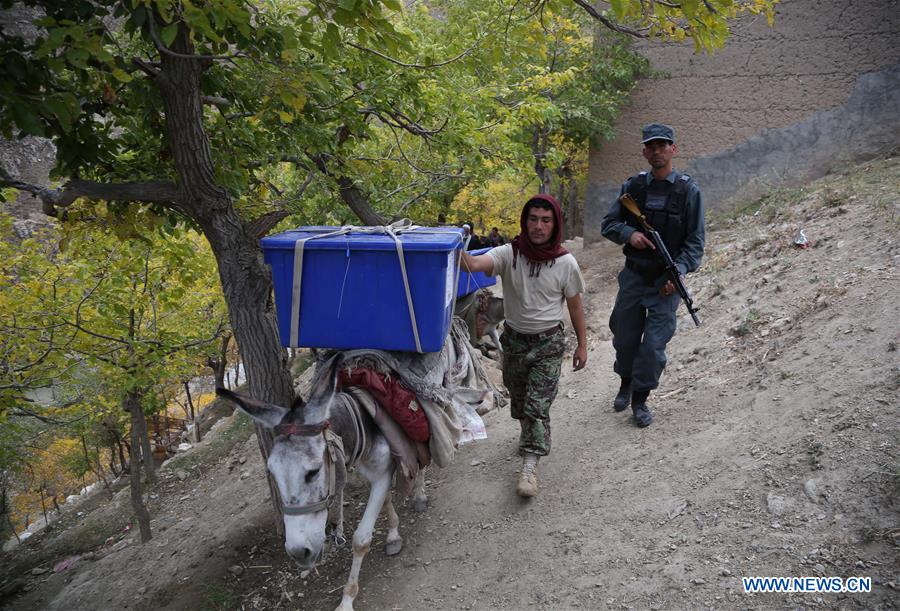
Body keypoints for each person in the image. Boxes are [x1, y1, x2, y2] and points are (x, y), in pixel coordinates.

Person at [460, 194, 587, 498]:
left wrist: (582, 345)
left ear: (555, 223)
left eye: (545, 220)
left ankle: (530, 465)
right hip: (514, 342)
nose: (538, 226)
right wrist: (454, 248)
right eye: (533, 219)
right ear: (524, 221)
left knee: (537, 405)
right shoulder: (509, 254)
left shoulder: (565, 263)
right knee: (519, 402)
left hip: (549, 343)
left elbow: (575, 306)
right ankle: (529, 432)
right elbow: (475, 263)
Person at [600, 123, 705, 428]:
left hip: (666, 283)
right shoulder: (632, 188)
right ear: (644, 151)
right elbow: (608, 224)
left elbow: (695, 242)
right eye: (651, 146)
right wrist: (629, 234)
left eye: (663, 145)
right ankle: (626, 382)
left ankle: (640, 398)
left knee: (654, 344)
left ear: (673, 149)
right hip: (634, 277)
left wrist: (680, 271)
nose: (657, 151)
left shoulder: (688, 191)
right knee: (626, 337)